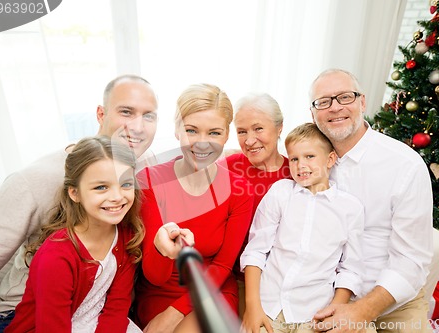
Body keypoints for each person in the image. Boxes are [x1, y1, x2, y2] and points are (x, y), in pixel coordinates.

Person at [0, 74, 159, 333]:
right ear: (101, 114)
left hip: (98, 309)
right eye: (126, 112)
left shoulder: (144, 166)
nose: (138, 127)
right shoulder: (34, 180)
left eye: (149, 116)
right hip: (28, 315)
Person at [309, 69, 433, 333]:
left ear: (362, 102)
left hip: (392, 302)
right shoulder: (307, 161)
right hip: (322, 297)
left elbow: (411, 260)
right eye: (323, 102)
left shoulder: (404, 165)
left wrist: (361, 311)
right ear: (313, 113)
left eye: (345, 97)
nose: (335, 108)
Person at [134, 83, 254, 333]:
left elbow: (222, 266)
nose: (202, 144)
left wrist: (173, 315)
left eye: (214, 133)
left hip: (214, 289)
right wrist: (162, 248)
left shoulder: (240, 190)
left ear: (226, 134)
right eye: (191, 131)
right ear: (177, 130)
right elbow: (154, 276)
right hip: (161, 292)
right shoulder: (149, 181)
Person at [4, 136, 144, 333]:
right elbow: (52, 328)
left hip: (96, 323)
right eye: (101, 187)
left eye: (126, 184)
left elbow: (117, 307)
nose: (117, 196)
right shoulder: (56, 257)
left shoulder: (127, 234)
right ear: (74, 193)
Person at [240, 122, 364, 333]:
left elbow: (351, 268)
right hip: (269, 306)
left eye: (310, 156)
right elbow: (255, 252)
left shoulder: (350, 208)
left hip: (314, 312)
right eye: (294, 159)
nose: (300, 165)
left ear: (330, 159)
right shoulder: (280, 192)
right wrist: (253, 307)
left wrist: (336, 308)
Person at [225, 93, 292, 317]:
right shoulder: (228, 167)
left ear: (279, 127)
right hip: (236, 279)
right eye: (242, 131)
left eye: (258, 129)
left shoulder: (297, 174)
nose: (249, 140)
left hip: (281, 283)